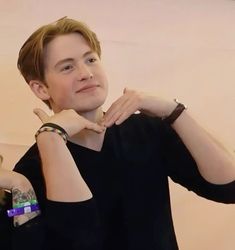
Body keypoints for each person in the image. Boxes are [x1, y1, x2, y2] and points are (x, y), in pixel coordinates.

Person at [0, 17, 235, 250]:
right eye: (67, 67)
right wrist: (49, 140)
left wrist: (174, 111)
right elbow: (66, 237)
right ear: (41, 88)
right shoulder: (31, 168)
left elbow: (228, 187)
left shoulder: (145, 131)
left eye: (91, 59)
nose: (86, 73)